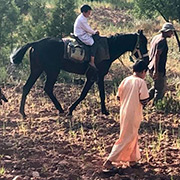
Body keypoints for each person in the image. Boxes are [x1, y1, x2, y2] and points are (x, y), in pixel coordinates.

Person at [103, 60, 149, 172]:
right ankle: (109, 161)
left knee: (132, 135)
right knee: (126, 137)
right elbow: (144, 100)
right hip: (133, 113)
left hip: (124, 112)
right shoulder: (141, 82)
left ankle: (132, 160)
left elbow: (118, 97)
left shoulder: (126, 80)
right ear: (143, 71)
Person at [148, 22, 175, 104]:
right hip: (158, 69)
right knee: (160, 90)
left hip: (151, 66)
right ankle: (156, 107)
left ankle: (143, 101)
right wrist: (156, 71)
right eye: (171, 31)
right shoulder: (162, 41)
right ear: (166, 31)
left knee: (156, 86)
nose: (172, 33)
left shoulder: (156, 38)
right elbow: (157, 56)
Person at [74, 4, 99, 70]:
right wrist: (94, 32)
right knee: (93, 43)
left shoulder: (82, 17)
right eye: (88, 12)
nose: (89, 14)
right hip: (80, 35)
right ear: (84, 12)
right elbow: (87, 28)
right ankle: (92, 61)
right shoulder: (82, 19)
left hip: (82, 33)